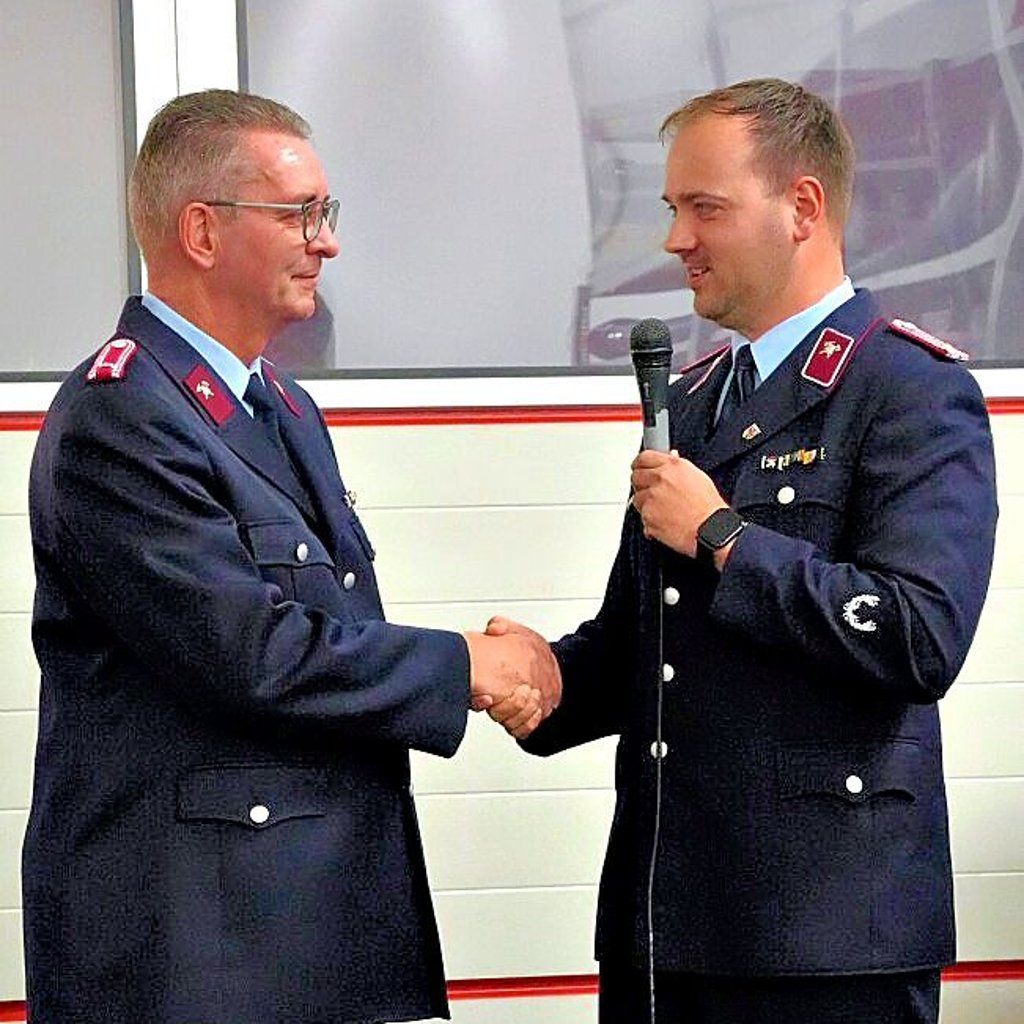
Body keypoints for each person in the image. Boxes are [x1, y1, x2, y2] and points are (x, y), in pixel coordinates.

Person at [23, 89, 559, 1024]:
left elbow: (327, 631)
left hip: (301, 926)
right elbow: (250, 652)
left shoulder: (277, 403)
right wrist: (468, 665)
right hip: (194, 950)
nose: (328, 242)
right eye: (300, 214)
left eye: (326, 212)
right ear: (202, 231)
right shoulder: (123, 415)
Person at [498, 78, 998, 1023]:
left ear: (801, 207)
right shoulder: (693, 403)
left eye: (705, 208)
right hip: (668, 925)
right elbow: (649, 644)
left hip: (823, 941)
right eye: (671, 208)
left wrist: (724, 536)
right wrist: (540, 682)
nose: (675, 239)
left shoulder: (905, 389)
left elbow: (919, 636)